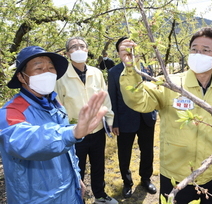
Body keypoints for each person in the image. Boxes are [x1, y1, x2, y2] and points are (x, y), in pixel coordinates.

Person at [118, 28, 212, 204]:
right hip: (175, 175)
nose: (198, 54)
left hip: (211, 174)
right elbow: (138, 100)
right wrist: (130, 68)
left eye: (205, 50)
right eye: (194, 49)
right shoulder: (170, 84)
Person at [0, 45, 108, 204]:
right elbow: (24, 140)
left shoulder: (55, 104)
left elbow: (69, 153)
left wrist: (77, 179)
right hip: (36, 200)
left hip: (69, 193)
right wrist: (72, 133)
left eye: (51, 68)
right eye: (39, 68)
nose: (47, 72)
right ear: (22, 77)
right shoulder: (11, 111)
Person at [55, 37, 118, 204]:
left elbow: (105, 98)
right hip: (74, 132)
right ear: (68, 53)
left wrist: (109, 120)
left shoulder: (96, 73)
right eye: (74, 47)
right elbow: (58, 105)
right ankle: (77, 198)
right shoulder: (61, 77)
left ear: (87, 50)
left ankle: (100, 195)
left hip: (97, 129)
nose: (78, 49)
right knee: (77, 168)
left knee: (98, 165)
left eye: (82, 46)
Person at [107, 37, 157, 199]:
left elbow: (153, 91)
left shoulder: (145, 68)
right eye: (124, 48)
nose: (128, 51)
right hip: (125, 119)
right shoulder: (114, 72)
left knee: (147, 151)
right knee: (124, 153)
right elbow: (112, 98)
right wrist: (114, 122)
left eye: (131, 47)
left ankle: (146, 179)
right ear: (118, 53)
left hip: (146, 118)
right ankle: (127, 182)